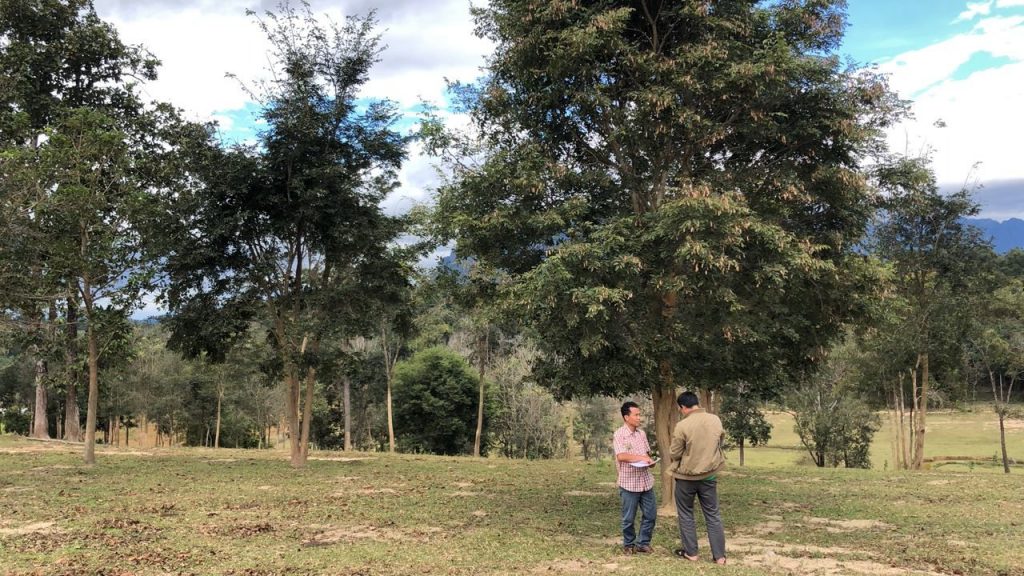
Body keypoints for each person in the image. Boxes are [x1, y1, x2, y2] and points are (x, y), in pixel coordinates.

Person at [669, 391, 727, 565]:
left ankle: (691, 553)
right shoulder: (715, 419)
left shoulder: (682, 425)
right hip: (709, 476)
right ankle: (720, 557)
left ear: (682, 407)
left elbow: (675, 452)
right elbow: (720, 441)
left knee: (686, 514)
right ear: (697, 403)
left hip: (686, 477)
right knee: (713, 515)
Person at [612, 401, 657, 554]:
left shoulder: (641, 434)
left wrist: (650, 461)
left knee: (650, 515)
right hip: (629, 482)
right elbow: (622, 456)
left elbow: (647, 454)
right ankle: (629, 544)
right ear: (626, 417)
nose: (639, 418)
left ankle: (643, 543)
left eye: (639, 414)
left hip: (645, 481)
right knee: (628, 518)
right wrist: (641, 458)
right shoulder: (619, 434)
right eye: (636, 415)